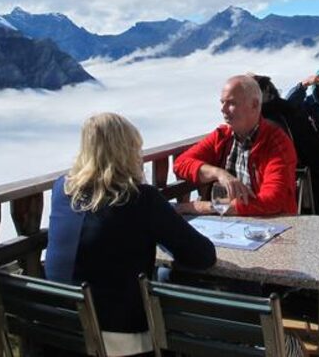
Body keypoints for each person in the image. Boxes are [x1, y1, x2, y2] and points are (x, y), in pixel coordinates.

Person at [46, 112, 216, 357]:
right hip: (118, 341)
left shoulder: (62, 189)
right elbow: (202, 255)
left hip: (59, 333)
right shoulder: (140, 198)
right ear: (127, 151)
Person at [174, 75, 298, 216]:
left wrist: (210, 207)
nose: (223, 109)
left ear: (255, 105)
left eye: (231, 103)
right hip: (230, 225)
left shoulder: (276, 142)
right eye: (222, 103)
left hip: (271, 227)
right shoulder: (223, 136)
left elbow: (272, 201)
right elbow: (180, 164)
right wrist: (219, 173)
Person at [251, 73, 319, 215]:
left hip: (262, 190)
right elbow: (312, 151)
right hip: (303, 184)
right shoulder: (288, 115)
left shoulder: (253, 120)